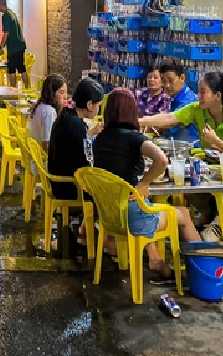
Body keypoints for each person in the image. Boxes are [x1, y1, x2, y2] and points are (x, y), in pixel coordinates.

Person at [94, 88, 200, 279]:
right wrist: (145, 182)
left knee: (144, 202)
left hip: (109, 215)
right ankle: (201, 270)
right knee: (182, 213)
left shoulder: (99, 140)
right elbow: (162, 159)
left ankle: (154, 257)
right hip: (133, 219)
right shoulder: (133, 138)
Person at [140, 71, 223, 230]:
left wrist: (216, 141)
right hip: (210, 167)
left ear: (217, 96)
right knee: (183, 182)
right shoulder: (197, 109)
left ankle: (217, 225)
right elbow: (170, 118)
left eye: (203, 92)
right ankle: (208, 214)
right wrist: (140, 121)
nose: (198, 95)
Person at [47, 78, 104, 199]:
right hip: (68, 187)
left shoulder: (66, 114)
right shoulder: (76, 125)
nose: (99, 109)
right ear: (89, 105)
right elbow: (85, 164)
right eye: (98, 105)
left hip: (58, 180)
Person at [158, 58, 198, 141]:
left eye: (171, 80)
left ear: (182, 78)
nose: (167, 85)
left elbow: (170, 121)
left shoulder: (189, 100)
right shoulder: (174, 97)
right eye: (164, 81)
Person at [27, 74, 68, 154]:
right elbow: (46, 144)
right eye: (61, 92)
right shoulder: (49, 112)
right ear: (52, 93)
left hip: (36, 156)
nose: (65, 97)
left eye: (66, 93)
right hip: (43, 161)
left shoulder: (40, 106)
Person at [0, 0, 29, 89]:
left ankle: (12, 90)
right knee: (22, 68)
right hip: (20, 45)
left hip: (13, 47)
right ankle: (27, 88)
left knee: (11, 70)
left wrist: (1, 47)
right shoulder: (12, 13)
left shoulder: (6, 15)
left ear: (1, 5)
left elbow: (6, 34)